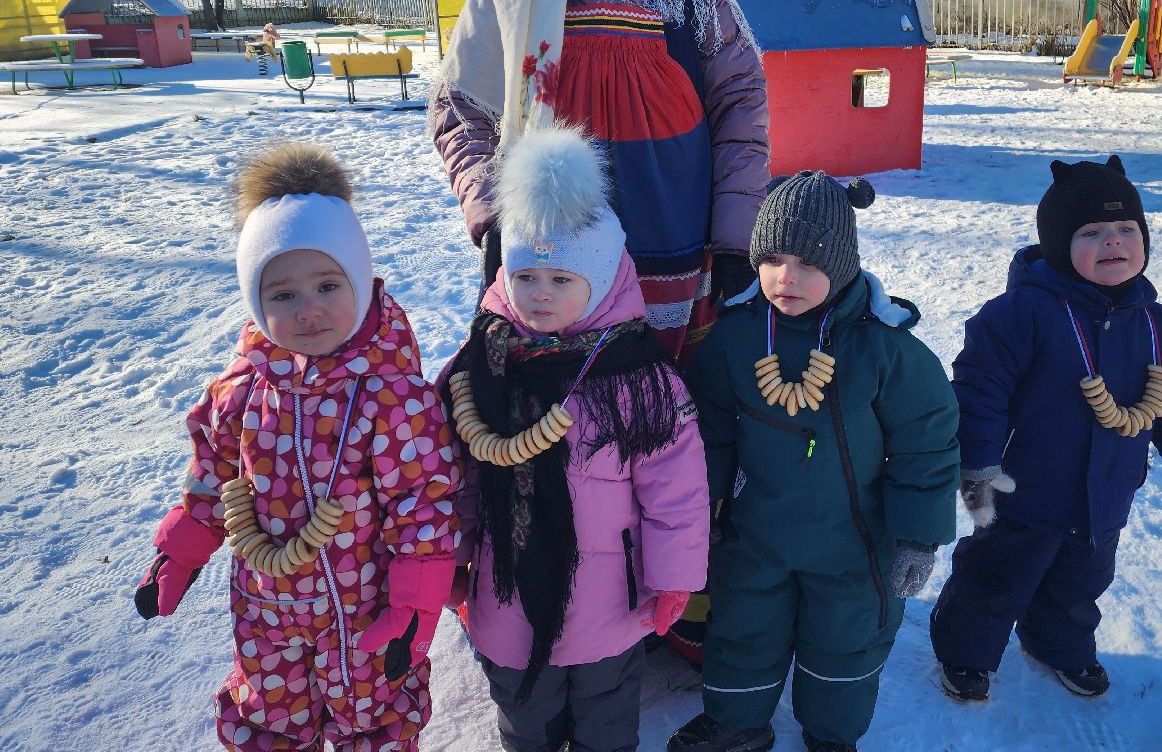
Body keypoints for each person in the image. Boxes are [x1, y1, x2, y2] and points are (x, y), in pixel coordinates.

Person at [429, 0, 770, 369]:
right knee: (566, 396)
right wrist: (490, 216)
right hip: (553, 242)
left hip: (678, 232)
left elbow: (741, 101)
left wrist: (736, 236)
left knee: (668, 396)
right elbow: (462, 104)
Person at [134, 142, 461, 751]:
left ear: (360, 283)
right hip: (266, 608)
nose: (309, 311)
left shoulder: (393, 398)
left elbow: (424, 504)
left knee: (369, 718)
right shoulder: (242, 389)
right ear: (257, 304)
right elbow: (211, 478)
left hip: (363, 611)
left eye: (328, 285)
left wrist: (413, 606)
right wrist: (178, 556)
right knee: (271, 716)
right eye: (283, 295)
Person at [436, 126, 710, 752]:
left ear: (603, 281)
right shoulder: (480, 368)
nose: (540, 295)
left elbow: (676, 492)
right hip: (505, 593)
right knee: (523, 717)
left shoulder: (640, 381)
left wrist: (675, 579)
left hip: (607, 603)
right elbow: (454, 481)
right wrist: (449, 560)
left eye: (562, 280)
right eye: (527, 276)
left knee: (607, 716)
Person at [669, 172, 961, 752]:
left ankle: (832, 734)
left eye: (807, 261)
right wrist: (699, 512)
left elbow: (926, 445)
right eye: (772, 259)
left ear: (843, 261)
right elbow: (710, 433)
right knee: (742, 628)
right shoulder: (735, 339)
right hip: (756, 535)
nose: (786, 277)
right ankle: (737, 722)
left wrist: (916, 537)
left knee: (845, 639)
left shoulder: (885, 349)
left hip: (854, 543)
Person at [928, 155, 1162, 703]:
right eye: (1091, 232)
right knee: (997, 578)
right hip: (1025, 493)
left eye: (1126, 229)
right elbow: (980, 390)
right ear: (1059, 244)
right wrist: (978, 462)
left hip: (1106, 497)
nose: (1112, 241)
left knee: (1079, 587)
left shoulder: (1159, 327)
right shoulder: (1020, 314)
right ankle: (965, 652)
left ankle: (1057, 646)